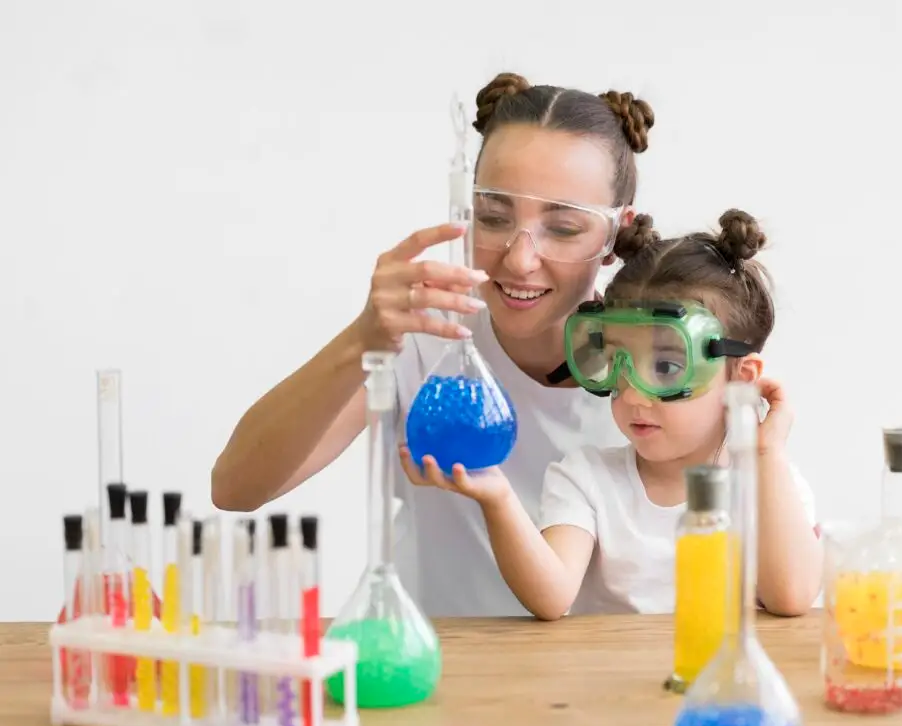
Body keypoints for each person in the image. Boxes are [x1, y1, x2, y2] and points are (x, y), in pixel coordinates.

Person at [210, 71, 657, 616]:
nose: (520, 259)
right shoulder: (425, 335)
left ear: (616, 234)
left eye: (563, 228)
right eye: (493, 218)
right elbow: (235, 488)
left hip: (597, 663)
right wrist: (361, 340)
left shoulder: (660, 368)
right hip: (436, 654)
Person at [400, 209, 822, 619]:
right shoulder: (587, 479)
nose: (633, 394)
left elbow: (792, 597)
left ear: (740, 379)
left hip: (720, 669)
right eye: (618, 363)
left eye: (666, 366)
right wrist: (499, 497)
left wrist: (766, 454)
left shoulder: (770, 488)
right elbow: (551, 597)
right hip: (610, 669)